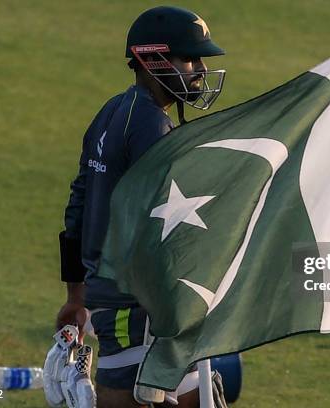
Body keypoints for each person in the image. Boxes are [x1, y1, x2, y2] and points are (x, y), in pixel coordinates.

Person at [54, 6, 226, 407]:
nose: (199, 68)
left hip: (117, 296)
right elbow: (166, 225)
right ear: (152, 60)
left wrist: (75, 297)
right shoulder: (151, 127)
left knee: (200, 396)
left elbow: (77, 208)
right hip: (139, 304)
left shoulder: (112, 110)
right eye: (189, 58)